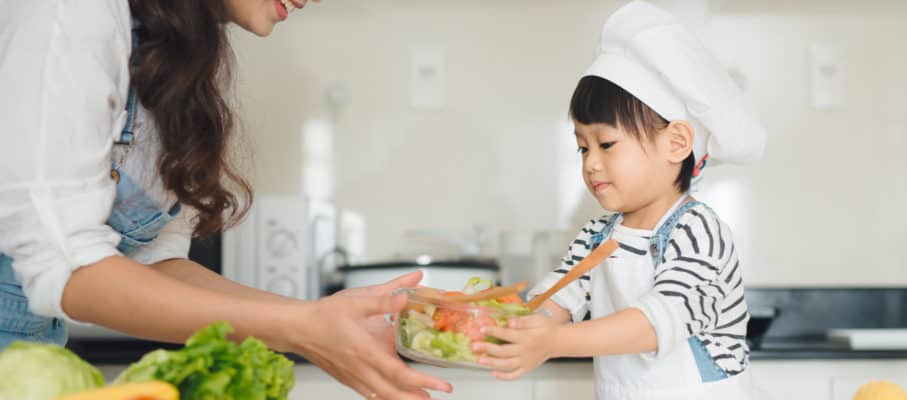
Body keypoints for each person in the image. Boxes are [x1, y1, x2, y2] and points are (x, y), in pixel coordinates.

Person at [0, 0, 451, 398]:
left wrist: (320, 320)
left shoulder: (190, 54)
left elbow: (151, 260)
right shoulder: (69, 12)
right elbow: (68, 269)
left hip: (28, 369)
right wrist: (299, 330)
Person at [471, 1, 767, 399]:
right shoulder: (597, 236)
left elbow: (654, 323)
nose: (591, 163)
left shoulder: (700, 233)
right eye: (582, 148)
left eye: (607, 144)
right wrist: (517, 329)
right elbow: (555, 299)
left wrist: (554, 342)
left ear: (676, 143)